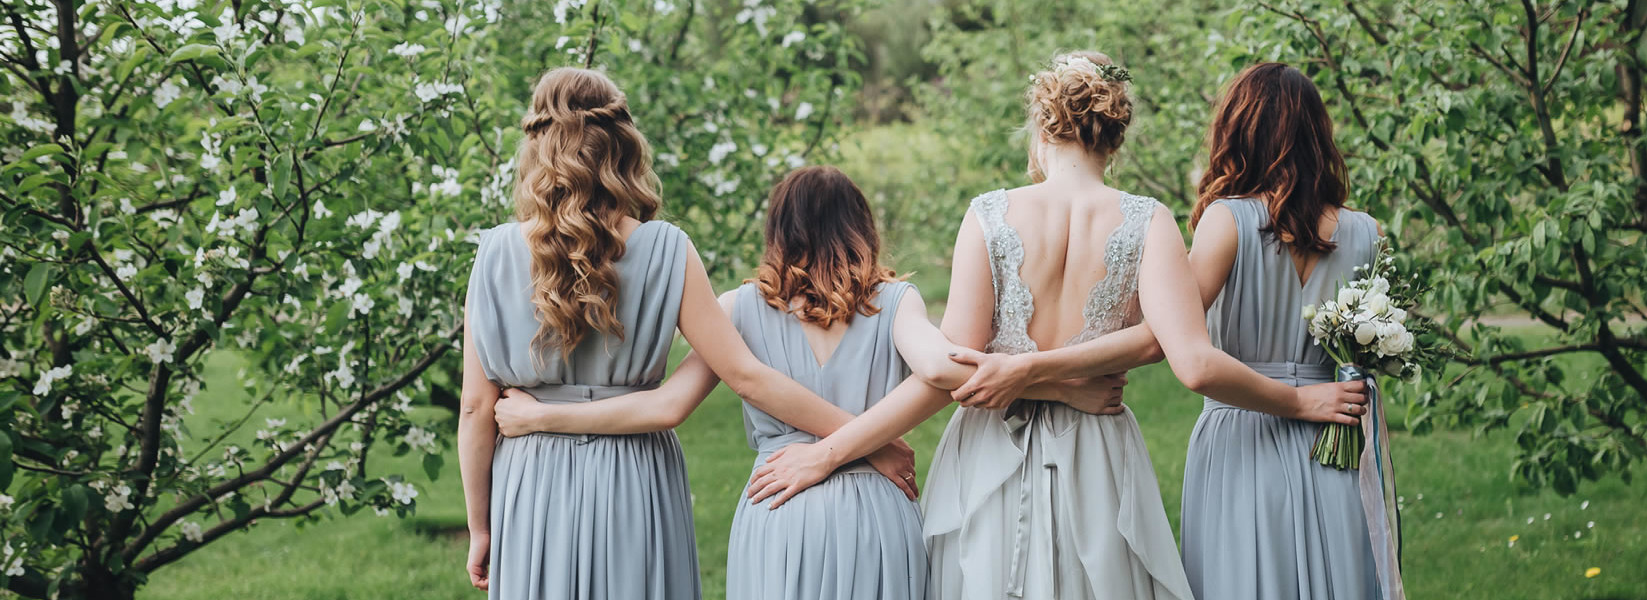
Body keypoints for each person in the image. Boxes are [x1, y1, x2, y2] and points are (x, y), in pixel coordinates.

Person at [747, 52, 1371, 600]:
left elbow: (954, 368)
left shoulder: (990, 213)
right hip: (1094, 443)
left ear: (1043, 124)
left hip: (992, 445)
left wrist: (1020, 372)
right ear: (1115, 134)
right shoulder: (1148, 220)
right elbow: (1164, 340)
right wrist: (1063, 385)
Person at [489, 166, 1131, 600]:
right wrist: (1056, 387)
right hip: (875, 510)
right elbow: (945, 368)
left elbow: (669, 403)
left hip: (778, 507)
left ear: (778, 230)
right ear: (861, 227)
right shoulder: (896, 301)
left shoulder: (738, 309)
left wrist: (542, 416)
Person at [457, 67, 888, 600]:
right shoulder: (668, 248)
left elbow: (477, 409)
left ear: (537, 144)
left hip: (531, 477)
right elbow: (747, 376)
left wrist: (481, 527)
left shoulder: (494, 253)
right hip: (633, 475)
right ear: (624, 146)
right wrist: (868, 442)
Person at [1177, 62, 1405, 600]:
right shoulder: (1367, 232)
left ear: (1237, 131)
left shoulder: (1224, 221)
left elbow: (1170, 334)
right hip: (1335, 435)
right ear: (1316, 135)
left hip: (1243, 429)